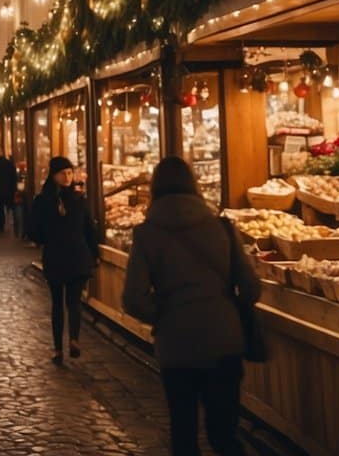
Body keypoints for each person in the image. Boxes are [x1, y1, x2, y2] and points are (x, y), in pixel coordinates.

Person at [122, 157, 261, 456]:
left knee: (183, 432)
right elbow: (250, 286)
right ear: (193, 184)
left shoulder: (146, 234)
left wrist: (164, 314)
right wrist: (228, 308)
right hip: (224, 341)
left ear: (155, 187)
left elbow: (133, 298)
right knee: (224, 434)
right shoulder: (223, 227)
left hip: (177, 346)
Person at [27, 156, 98, 365]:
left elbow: (89, 230)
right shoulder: (71, 199)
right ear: (54, 175)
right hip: (68, 256)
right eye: (63, 173)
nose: (67, 177)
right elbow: (89, 230)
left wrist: (93, 254)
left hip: (66, 257)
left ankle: (69, 343)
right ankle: (62, 345)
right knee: (63, 303)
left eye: (70, 172)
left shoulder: (70, 199)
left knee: (68, 302)